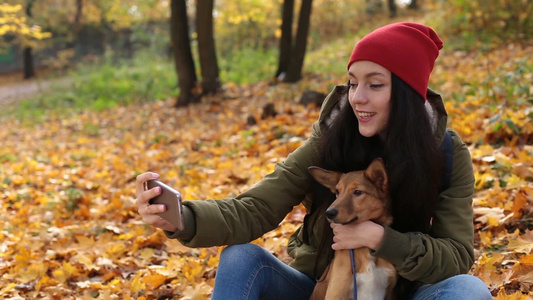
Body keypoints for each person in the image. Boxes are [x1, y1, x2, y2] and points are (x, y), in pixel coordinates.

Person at [136, 22, 492, 300]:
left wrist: (382, 238)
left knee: (468, 290)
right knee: (241, 258)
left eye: (375, 85)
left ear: (406, 94)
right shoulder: (331, 139)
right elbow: (256, 207)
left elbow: (457, 256)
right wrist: (183, 217)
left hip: (405, 292)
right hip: (317, 288)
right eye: (353, 83)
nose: (358, 98)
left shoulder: (445, 154)